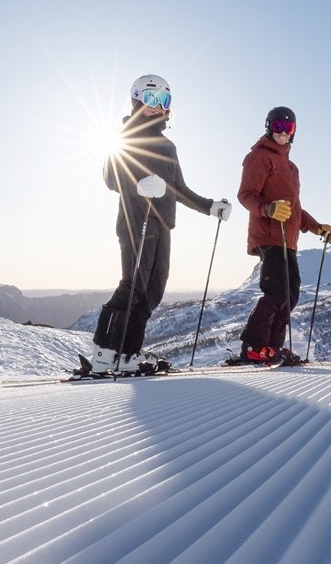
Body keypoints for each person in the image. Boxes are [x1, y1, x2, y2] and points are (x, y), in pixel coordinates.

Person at [85, 74, 232, 375]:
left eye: (164, 101)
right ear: (137, 100)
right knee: (133, 285)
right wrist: (138, 184)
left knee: (153, 290)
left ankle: (127, 354)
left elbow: (179, 190)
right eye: (152, 99)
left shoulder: (168, 147)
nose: (158, 106)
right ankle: (104, 350)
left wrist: (210, 208)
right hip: (135, 219)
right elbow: (111, 176)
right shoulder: (125, 135)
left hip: (163, 224)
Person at [234, 106, 331, 364]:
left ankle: (272, 347)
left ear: (294, 132)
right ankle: (253, 346)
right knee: (276, 292)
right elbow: (245, 195)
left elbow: (295, 210)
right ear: (269, 127)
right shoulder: (258, 157)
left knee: (290, 296)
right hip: (268, 236)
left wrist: (317, 227)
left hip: (288, 240)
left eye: (288, 128)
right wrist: (267, 209)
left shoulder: (291, 167)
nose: (282, 132)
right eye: (278, 126)